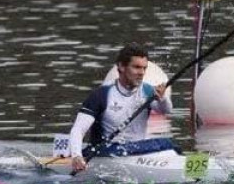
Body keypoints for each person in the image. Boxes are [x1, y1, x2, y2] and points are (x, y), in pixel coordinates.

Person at [69, 43, 172, 173]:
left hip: (139, 150)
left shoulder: (147, 91)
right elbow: (78, 130)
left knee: (168, 144)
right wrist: (76, 156)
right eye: (136, 67)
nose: (141, 73)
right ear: (121, 66)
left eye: (144, 68)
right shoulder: (101, 95)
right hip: (107, 152)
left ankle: (198, 169)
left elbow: (166, 110)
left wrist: (162, 98)